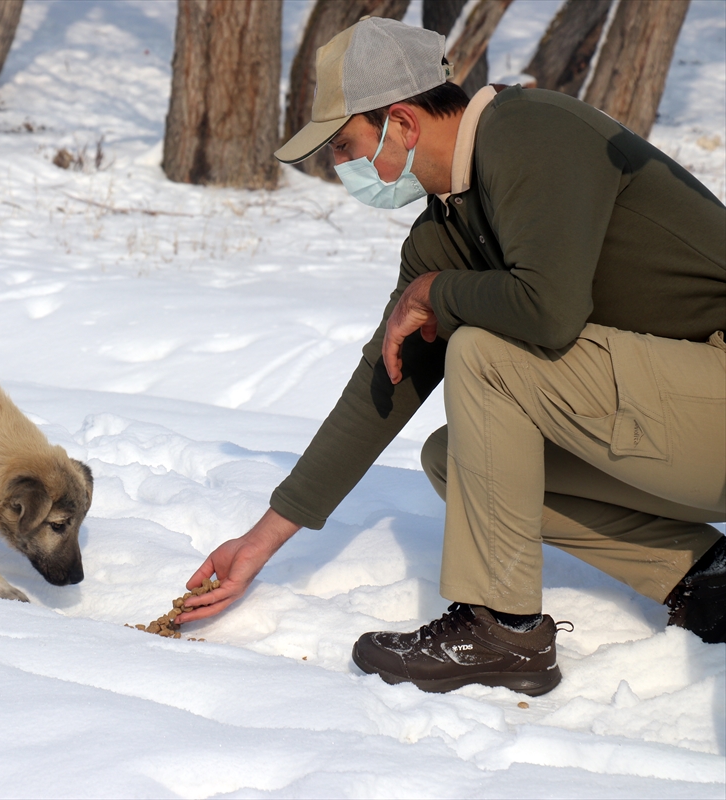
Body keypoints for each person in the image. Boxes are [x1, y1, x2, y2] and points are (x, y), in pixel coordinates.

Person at [177, 17, 726, 696]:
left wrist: (438, 292)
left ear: (402, 123)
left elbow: (549, 312)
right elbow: (384, 384)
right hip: (686, 416)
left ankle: (503, 631)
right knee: (461, 459)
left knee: (486, 354)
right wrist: (259, 542)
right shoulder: (449, 225)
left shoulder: (531, 134)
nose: (343, 170)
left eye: (345, 146)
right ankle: (707, 575)